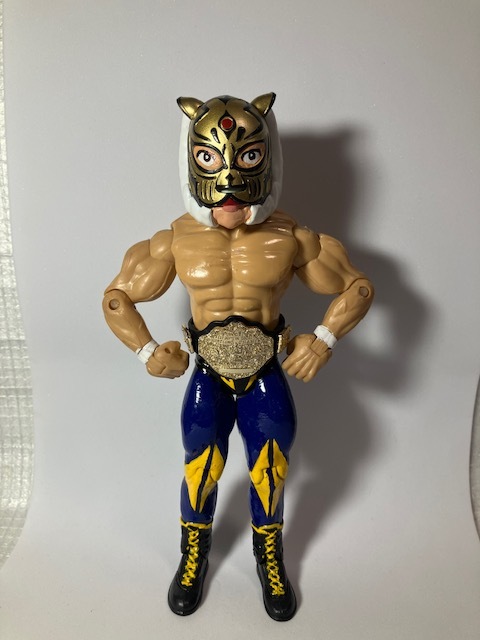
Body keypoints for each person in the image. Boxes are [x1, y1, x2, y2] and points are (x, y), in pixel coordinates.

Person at [102, 93, 374, 621]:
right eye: (210, 158)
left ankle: (268, 554)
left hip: (265, 372)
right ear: (192, 159)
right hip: (208, 373)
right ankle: (193, 555)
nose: (228, 180)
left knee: (270, 469)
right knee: (200, 467)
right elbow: (117, 298)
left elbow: (357, 288)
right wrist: (147, 351)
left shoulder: (290, 236)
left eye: (247, 157)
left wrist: (323, 339)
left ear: (266, 157)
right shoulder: (176, 239)